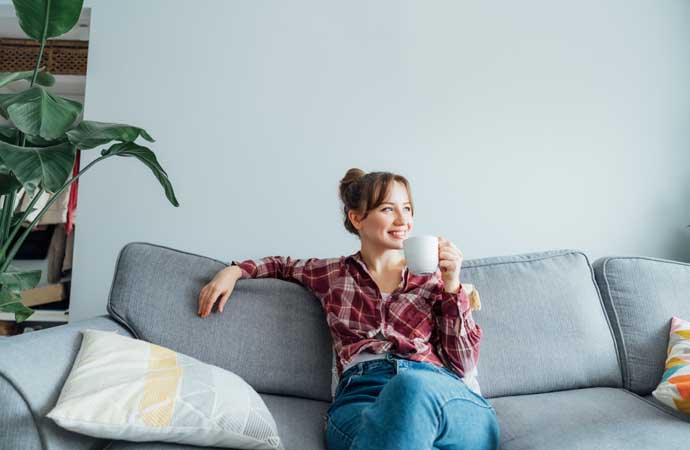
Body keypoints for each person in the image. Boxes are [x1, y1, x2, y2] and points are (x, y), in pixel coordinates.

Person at [197, 169, 500, 450]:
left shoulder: (435, 279)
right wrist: (235, 272)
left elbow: (461, 365)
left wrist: (453, 286)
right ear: (357, 219)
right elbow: (282, 265)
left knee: (411, 388)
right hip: (361, 397)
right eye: (388, 209)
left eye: (407, 208)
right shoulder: (333, 275)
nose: (403, 220)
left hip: (435, 390)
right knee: (397, 430)